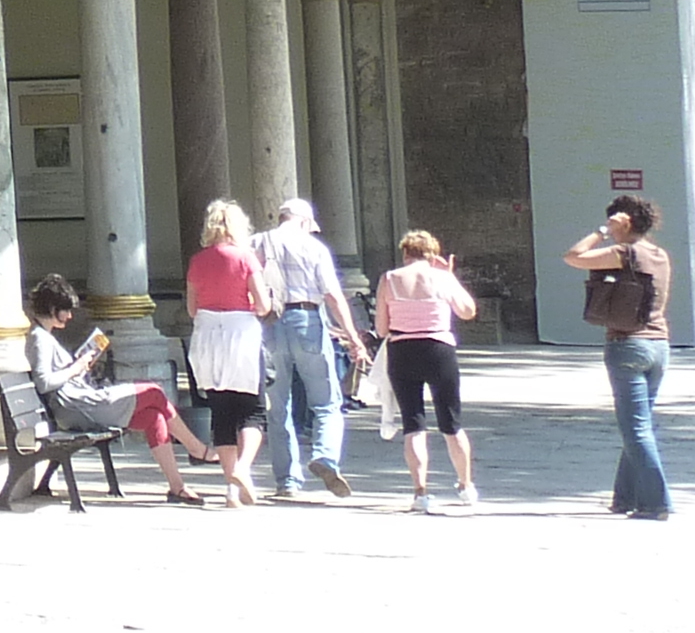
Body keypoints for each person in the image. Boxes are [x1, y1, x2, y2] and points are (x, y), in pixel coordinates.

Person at [24, 275, 206, 502]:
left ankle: (177, 487)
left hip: (81, 403)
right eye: (66, 310)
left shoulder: (44, 336)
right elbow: (44, 382)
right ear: (52, 308)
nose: (70, 316)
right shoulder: (39, 339)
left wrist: (78, 367)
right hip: (80, 407)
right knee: (153, 392)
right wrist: (75, 368)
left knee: (154, 417)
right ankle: (197, 449)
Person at [562, 192, 674, 519]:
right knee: (640, 425)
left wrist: (603, 230)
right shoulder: (660, 254)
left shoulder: (624, 253)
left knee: (635, 430)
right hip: (659, 346)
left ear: (624, 221)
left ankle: (656, 503)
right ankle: (624, 497)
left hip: (627, 345)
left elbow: (573, 256)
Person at [252, 197, 365, 498]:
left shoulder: (258, 243)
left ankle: (287, 481)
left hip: (268, 324)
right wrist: (354, 338)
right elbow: (332, 295)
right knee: (327, 401)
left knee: (278, 406)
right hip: (308, 321)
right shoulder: (314, 248)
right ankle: (325, 456)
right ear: (304, 221)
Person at [375, 228, 482, 511]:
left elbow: (381, 327)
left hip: (402, 350)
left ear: (405, 253)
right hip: (438, 349)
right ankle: (465, 485)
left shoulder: (389, 279)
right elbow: (468, 311)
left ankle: (420, 492)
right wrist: (450, 277)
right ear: (433, 254)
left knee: (413, 423)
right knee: (451, 422)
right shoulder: (442, 278)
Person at [183, 199, 277, 507]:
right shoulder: (246, 258)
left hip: (208, 335)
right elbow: (263, 304)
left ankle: (231, 491)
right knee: (252, 409)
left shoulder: (197, 261)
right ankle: (243, 470)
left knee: (221, 411)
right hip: (241, 333)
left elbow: (191, 308)